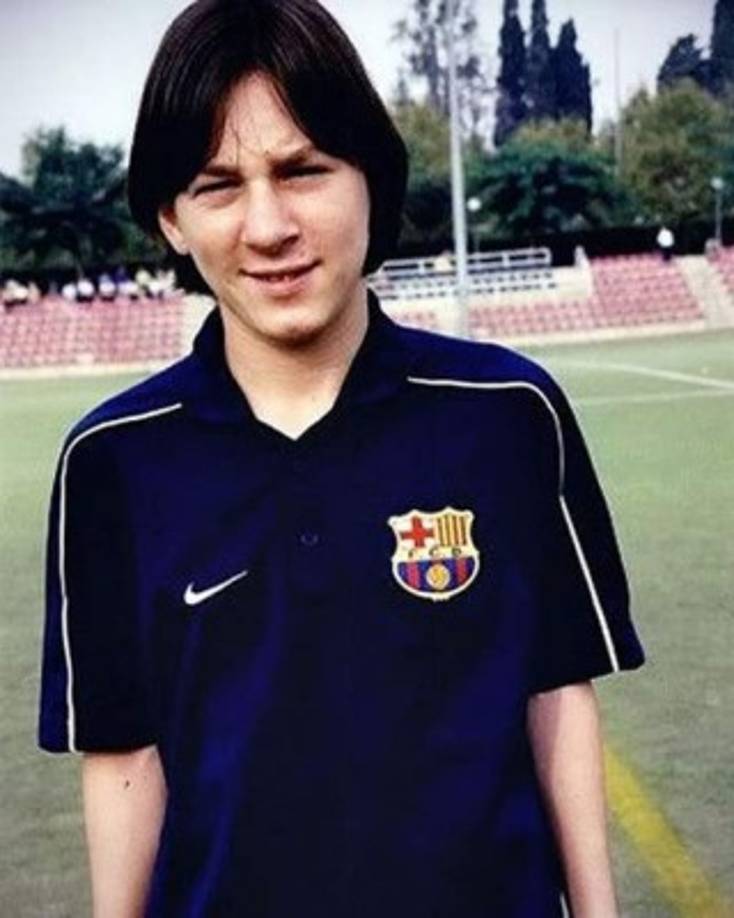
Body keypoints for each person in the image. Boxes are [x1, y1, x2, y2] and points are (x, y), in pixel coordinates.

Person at [38, 1, 644, 916]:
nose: (269, 224)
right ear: (170, 217)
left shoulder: (510, 416)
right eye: (217, 186)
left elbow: (555, 694)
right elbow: (124, 754)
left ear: (371, 176)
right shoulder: (111, 461)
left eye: (304, 169)